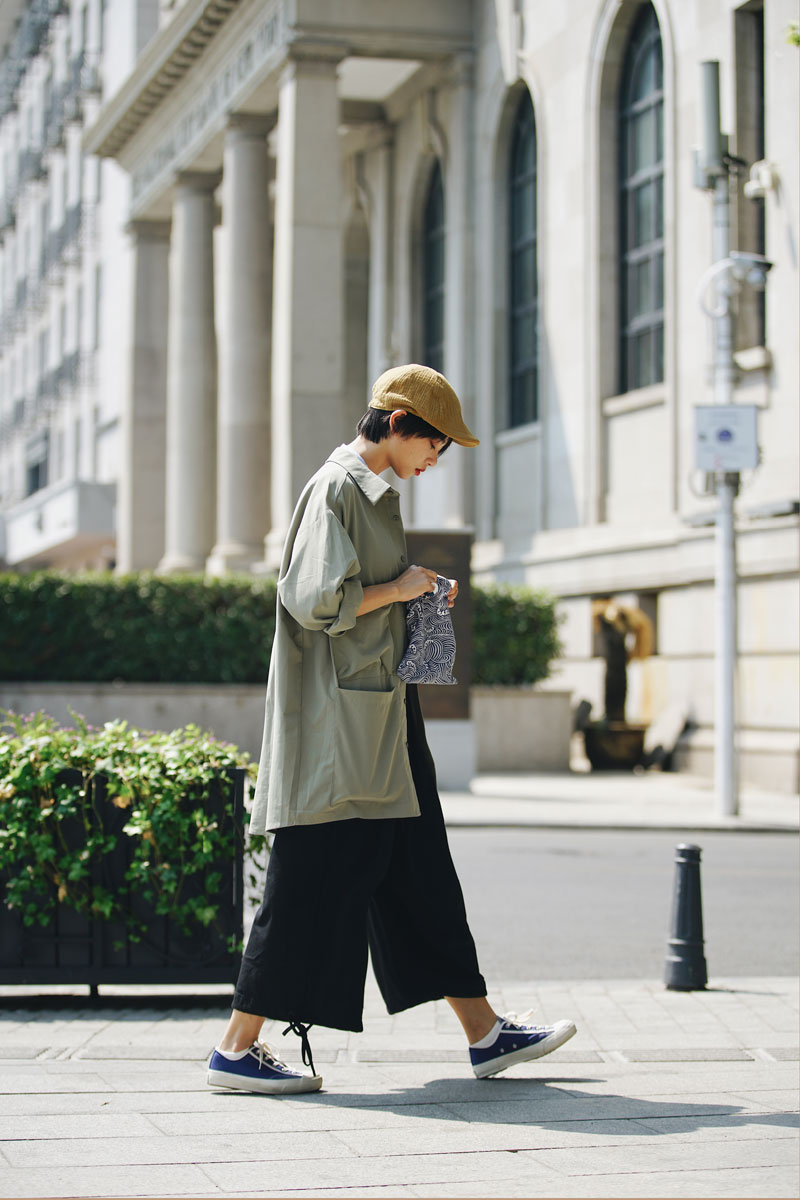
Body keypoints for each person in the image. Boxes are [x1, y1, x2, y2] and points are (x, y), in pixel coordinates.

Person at [207, 364, 576, 1095]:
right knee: (309, 877)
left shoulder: (373, 495)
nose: (436, 459)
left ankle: (485, 1033)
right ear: (400, 424)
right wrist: (403, 586)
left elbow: (358, 595)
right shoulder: (339, 487)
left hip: (379, 715)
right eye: (435, 444)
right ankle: (235, 1049)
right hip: (338, 731)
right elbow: (313, 600)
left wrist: (413, 590)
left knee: (420, 876)